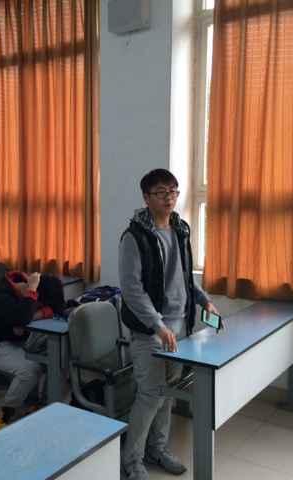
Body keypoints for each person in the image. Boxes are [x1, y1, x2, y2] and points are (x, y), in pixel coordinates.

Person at [119, 169, 219, 480]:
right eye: (161, 192)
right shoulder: (134, 237)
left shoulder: (180, 229)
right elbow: (132, 290)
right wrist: (157, 325)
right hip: (151, 331)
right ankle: (131, 461)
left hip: (181, 328)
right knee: (150, 395)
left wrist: (204, 300)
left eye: (173, 191)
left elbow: (185, 277)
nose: (169, 198)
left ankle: (157, 449)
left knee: (168, 394)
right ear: (146, 198)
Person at [0, 272, 63, 428]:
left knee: (54, 357)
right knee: (30, 369)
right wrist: (33, 298)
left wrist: (38, 313)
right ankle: (4, 416)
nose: (36, 303)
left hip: (13, 342)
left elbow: (23, 321)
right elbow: (22, 318)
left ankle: (39, 403)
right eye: (36, 299)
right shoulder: (3, 296)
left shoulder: (20, 295)